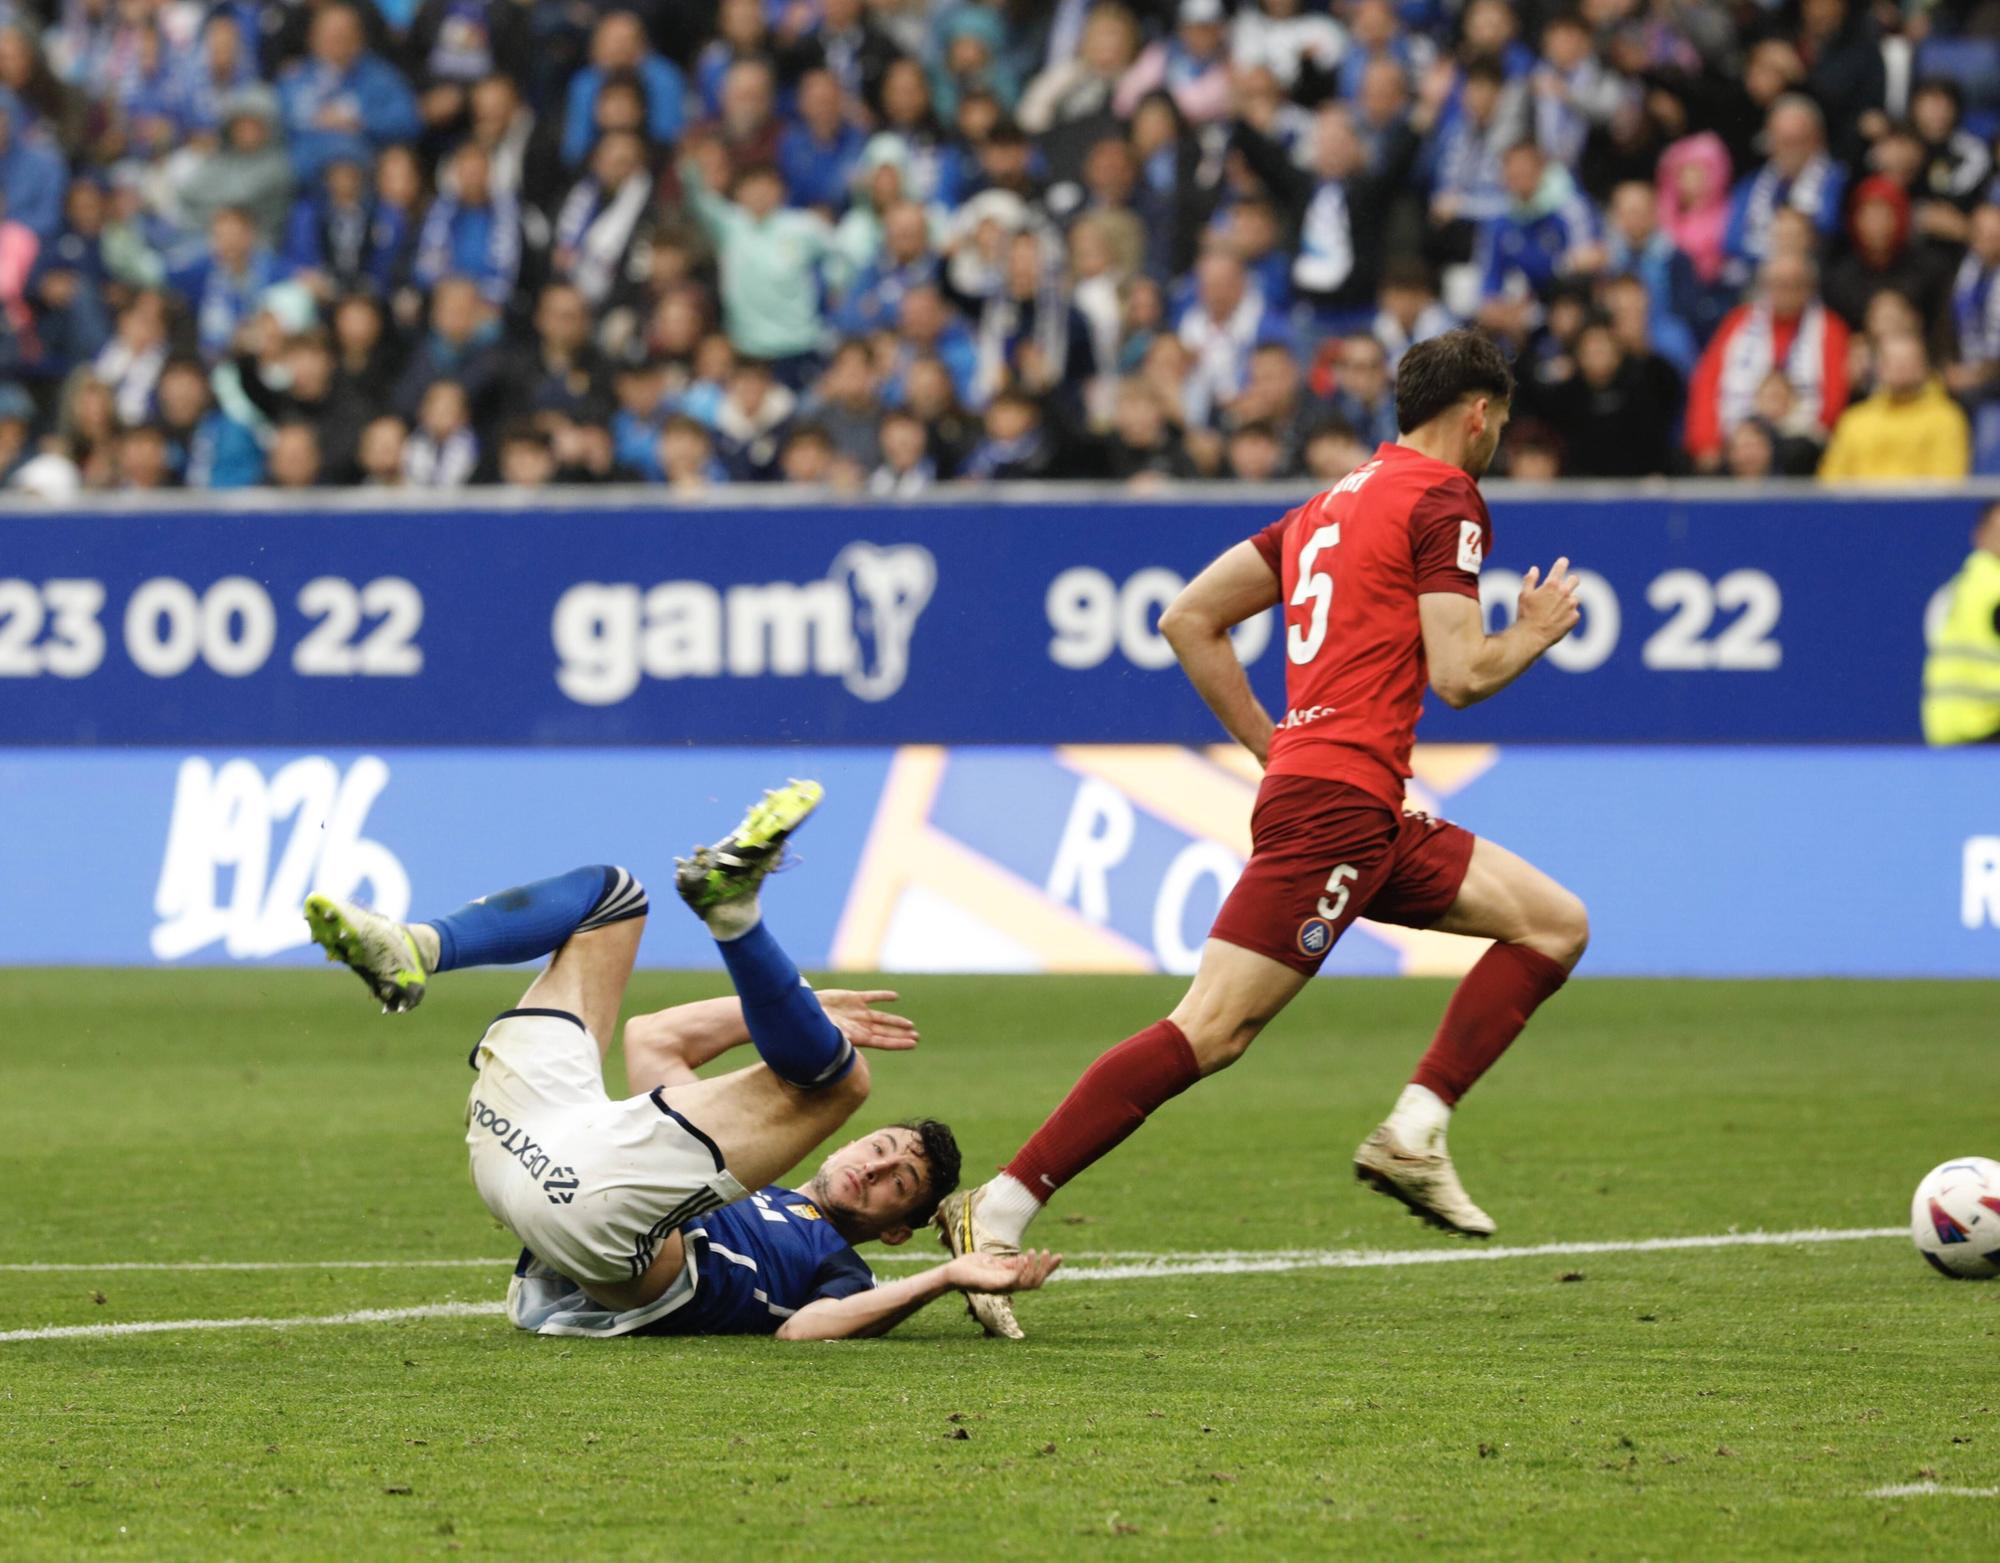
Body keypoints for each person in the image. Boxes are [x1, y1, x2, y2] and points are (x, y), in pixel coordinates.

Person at [936, 331, 1589, 1338]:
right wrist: (1531, 636)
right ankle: (1000, 1204)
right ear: (1475, 412)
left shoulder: (1328, 504)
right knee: (1211, 1028)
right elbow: (1459, 676)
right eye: (1497, 421)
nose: (1495, 437)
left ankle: (1414, 1131)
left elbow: (1188, 618)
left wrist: (1275, 745)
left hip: (1356, 799)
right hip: (1336, 807)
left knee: (1550, 924)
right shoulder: (1444, 497)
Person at [304, 780, 1058, 1339]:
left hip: (605, 1230)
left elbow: (805, 1331)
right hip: (525, 1139)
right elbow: (654, 1039)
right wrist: (801, 1005)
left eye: (902, 1182)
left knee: (842, 1080)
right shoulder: (739, 1163)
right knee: (610, 899)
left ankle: (734, 914)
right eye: (883, 1146)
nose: (877, 1164)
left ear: (898, 1226)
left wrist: (946, 1274)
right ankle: (418, 946)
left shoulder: (837, 1265)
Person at [1816, 331, 1969, 482]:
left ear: (1924, 365)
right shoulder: (1854, 420)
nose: (1901, 368)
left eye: (1908, 361)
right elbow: (1830, 484)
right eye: (1893, 361)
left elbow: (1947, 485)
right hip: (1859, 506)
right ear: (1879, 367)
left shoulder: (1946, 418)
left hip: (1918, 506)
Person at [1922, 502, 2000, 746]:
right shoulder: (1993, 590)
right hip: (1985, 729)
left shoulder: (1961, 585)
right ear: (1980, 535)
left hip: (1944, 731)